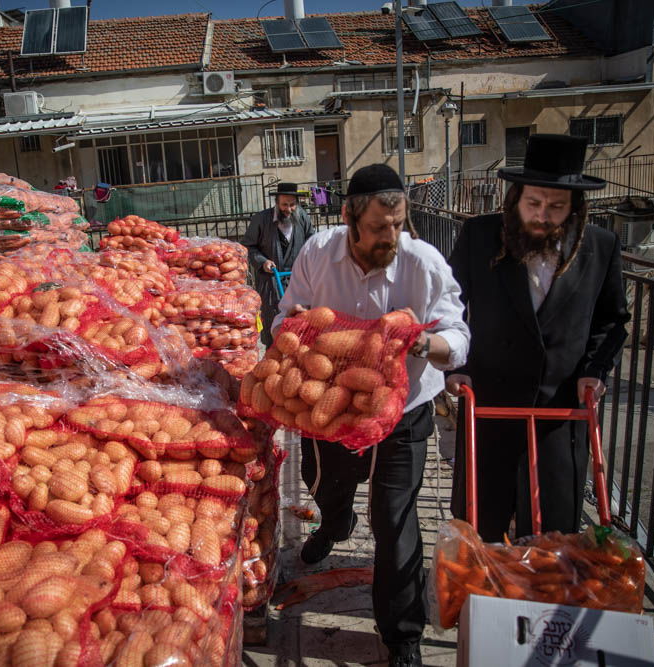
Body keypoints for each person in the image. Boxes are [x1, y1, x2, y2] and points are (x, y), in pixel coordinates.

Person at [273, 164, 470, 667]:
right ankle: (335, 525)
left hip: (403, 412)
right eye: (380, 226)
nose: (391, 236)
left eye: (398, 224)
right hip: (330, 407)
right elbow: (284, 313)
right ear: (348, 217)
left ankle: (402, 634)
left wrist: (429, 342)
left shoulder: (423, 263)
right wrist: (294, 329)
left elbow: (459, 336)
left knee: (396, 520)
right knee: (326, 487)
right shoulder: (318, 252)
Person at [445, 134, 631, 543]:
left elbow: (612, 320)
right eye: (533, 203)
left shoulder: (601, 247)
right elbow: (448, 304)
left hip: (558, 411)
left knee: (552, 532)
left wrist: (595, 370)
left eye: (556, 206)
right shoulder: (480, 236)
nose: (543, 215)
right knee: (480, 523)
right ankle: (478, 598)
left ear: (575, 207)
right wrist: (457, 366)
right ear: (516, 199)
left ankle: (539, 602)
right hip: (489, 400)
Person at [242, 182, 315, 346]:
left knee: (300, 325)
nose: (288, 209)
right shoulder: (261, 219)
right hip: (271, 281)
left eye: (292, 205)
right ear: (276, 202)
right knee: (273, 325)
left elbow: (313, 241)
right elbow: (248, 246)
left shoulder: (302, 217)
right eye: (284, 205)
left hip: (298, 281)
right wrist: (262, 261)